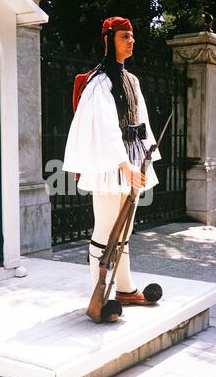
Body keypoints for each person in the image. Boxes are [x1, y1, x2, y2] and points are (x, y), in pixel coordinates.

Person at [63, 16, 161, 306]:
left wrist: (146, 157)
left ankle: (126, 289)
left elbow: (141, 120)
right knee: (105, 228)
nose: (131, 41)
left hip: (131, 160)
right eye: (124, 37)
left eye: (132, 36)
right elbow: (105, 127)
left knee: (126, 228)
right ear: (109, 40)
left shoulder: (132, 80)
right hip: (111, 165)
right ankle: (98, 298)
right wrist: (123, 164)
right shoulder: (100, 81)